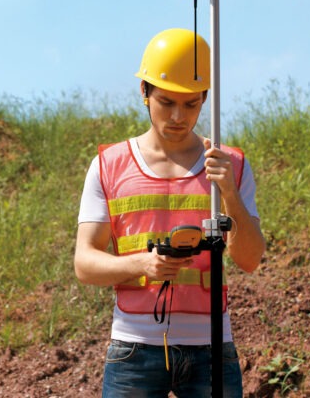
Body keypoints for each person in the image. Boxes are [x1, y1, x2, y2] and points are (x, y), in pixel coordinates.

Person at [74, 28, 266, 397]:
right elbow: (85, 264)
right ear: (144, 92)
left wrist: (228, 192)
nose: (179, 116)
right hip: (134, 349)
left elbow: (250, 259)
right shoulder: (108, 165)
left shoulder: (231, 165)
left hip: (212, 347)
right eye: (167, 102)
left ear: (206, 98)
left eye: (192, 104)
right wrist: (141, 265)